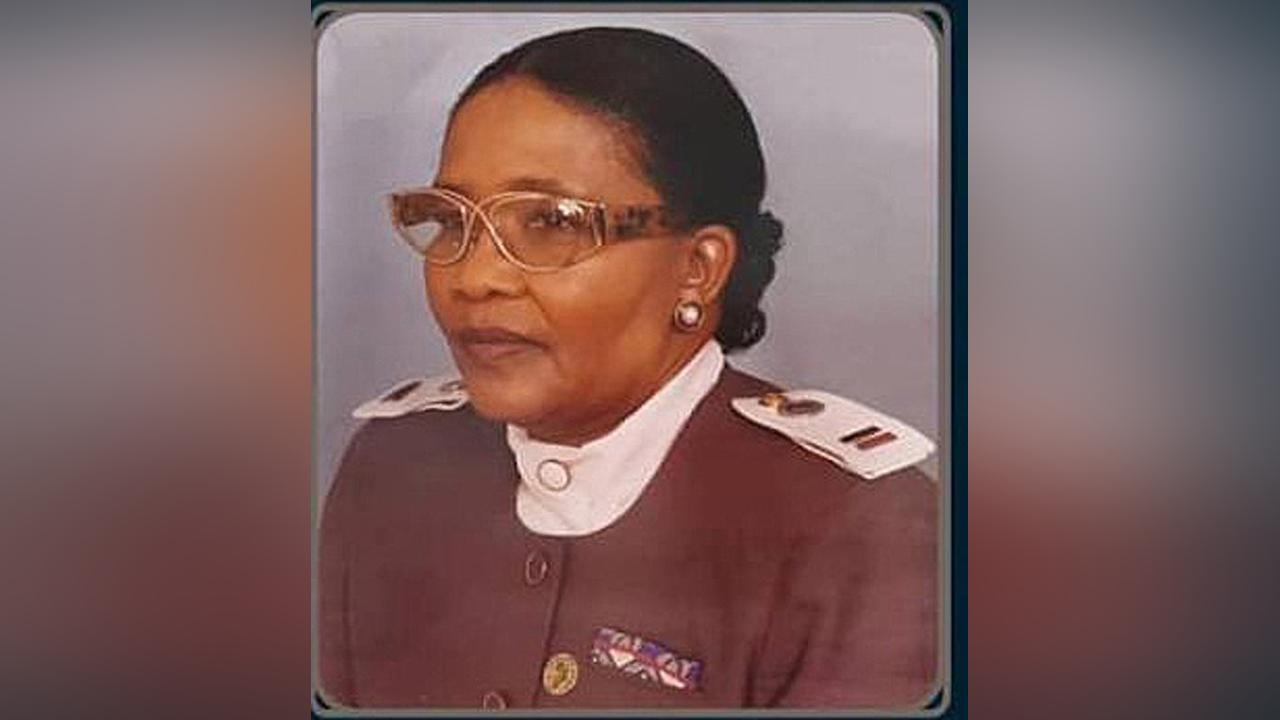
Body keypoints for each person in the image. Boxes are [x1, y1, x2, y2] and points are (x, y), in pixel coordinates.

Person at [318, 26, 938, 710]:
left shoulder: (861, 529)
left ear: (697, 267)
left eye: (552, 222)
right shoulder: (392, 469)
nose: (473, 277)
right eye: (452, 221)